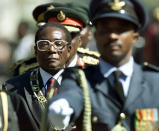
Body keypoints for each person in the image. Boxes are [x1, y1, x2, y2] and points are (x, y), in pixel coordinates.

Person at [48, 0, 159, 130]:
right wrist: (63, 104)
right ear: (95, 35)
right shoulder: (79, 79)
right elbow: (71, 95)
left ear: (135, 37)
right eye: (105, 29)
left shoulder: (155, 82)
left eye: (120, 30)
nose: (112, 36)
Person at [3, 22, 72, 131]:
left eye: (59, 44)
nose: (52, 49)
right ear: (35, 50)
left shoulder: (85, 86)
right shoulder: (12, 89)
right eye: (44, 44)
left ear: (68, 51)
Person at [11, 2, 100, 76]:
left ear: (79, 41)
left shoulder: (95, 67)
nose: (55, 48)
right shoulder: (27, 70)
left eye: (70, 36)